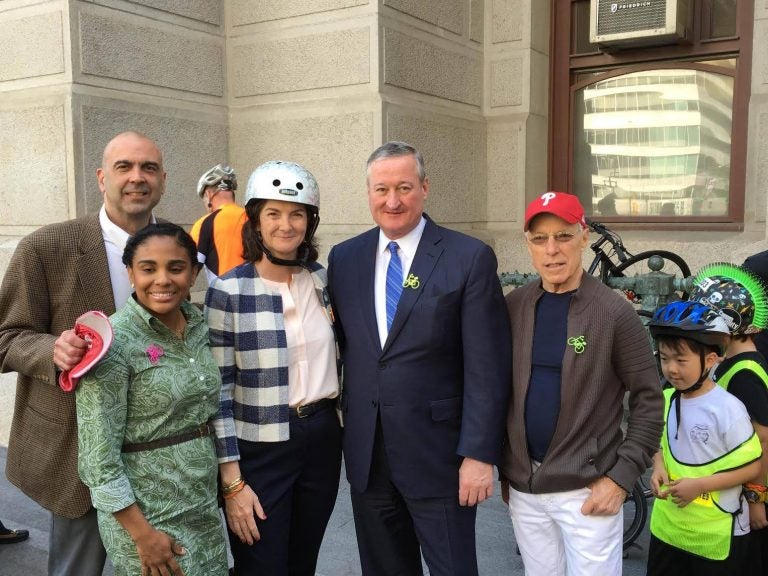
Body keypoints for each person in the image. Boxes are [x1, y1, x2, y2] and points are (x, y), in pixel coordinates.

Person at [327, 141, 512, 576]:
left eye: (405, 187)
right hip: (368, 458)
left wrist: (479, 455)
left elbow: (488, 366)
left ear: (425, 188)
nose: (393, 201)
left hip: (440, 459)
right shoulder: (345, 258)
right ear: (369, 192)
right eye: (381, 189)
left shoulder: (468, 257)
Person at [0, 131, 166, 576]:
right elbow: (6, 337)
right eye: (124, 167)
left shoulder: (178, 249)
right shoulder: (47, 247)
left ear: (163, 179)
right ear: (100, 177)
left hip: (162, 453)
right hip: (78, 451)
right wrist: (50, 350)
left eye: (148, 168)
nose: (137, 178)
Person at [500, 191, 663, 576]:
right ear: (528, 244)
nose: (552, 250)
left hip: (589, 490)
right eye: (540, 239)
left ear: (584, 237)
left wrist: (621, 479)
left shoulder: (614, 312)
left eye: (564, 236)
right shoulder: (514, 306)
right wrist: (508, 467)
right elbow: (497, 390)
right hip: (526, 490)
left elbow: (648, 399)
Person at [205, 160, 341, 576]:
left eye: (297, 213)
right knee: (260, 564)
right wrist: (231, 482)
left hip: (321, 437)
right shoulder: (228, 291)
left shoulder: (323, 281)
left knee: (303, 561)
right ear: (255, 221)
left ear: (310, 221)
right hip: (259, 445)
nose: (286, 224)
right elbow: (218, 394)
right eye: (273, 213)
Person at [76, 223, 227, 575]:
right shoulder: (112, 344)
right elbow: (98, 462)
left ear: (192, 274)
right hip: (147, 516)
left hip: (201, 506)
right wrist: (142, 535)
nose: (163, 279)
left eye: (176, 268)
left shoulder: (199, 326)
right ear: (130, 273)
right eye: (148, 268)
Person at [646, 300, 762, 575]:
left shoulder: (728, 409)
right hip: (668, 532)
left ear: (710, 359)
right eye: (664, 358)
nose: (671, 369)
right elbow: (658, 442)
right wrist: (658, 466)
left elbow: (753, 466)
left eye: (681, 360)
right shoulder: (666, 399)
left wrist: (700, 485)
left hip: (715, 538)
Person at [689, 263, 768, 575]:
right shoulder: (728, 362)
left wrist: (757, 498)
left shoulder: (746, 374)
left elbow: (763, 438)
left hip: (751, 499)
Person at [190, 163, 247, 283]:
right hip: (260, 296)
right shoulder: (254, 218)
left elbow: (189, 270)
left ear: (208, 194)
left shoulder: (204, 224)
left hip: (222, 298)